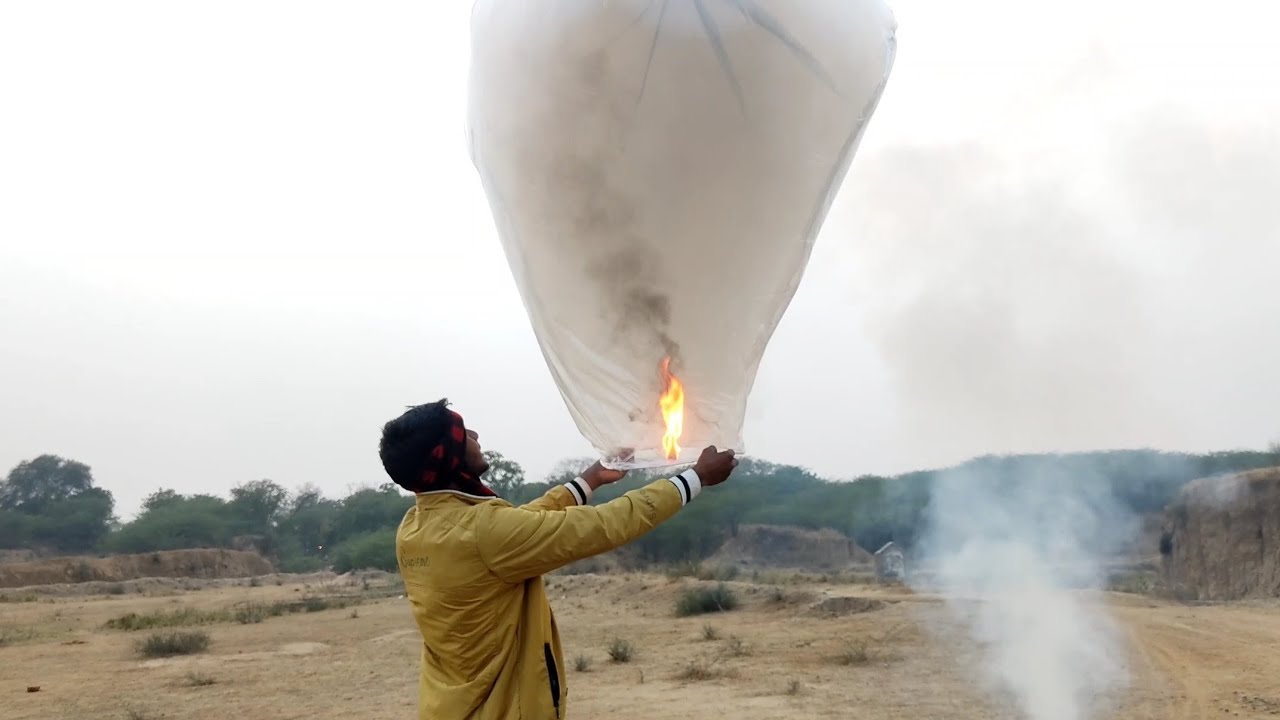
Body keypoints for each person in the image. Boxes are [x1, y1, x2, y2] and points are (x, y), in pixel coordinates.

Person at [380, 399, 739, 720]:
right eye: (462, 433)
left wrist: (589, 480)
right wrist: (695, 479)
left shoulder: (414, 527)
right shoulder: (484, 532)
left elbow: (522, 526)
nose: (474, 435)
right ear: (448, 456)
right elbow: (602, 525)